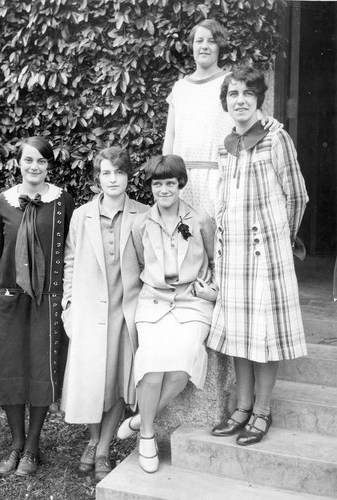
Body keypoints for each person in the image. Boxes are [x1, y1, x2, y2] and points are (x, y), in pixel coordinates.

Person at [207, 66, 308, 446]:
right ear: (226, 102)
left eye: (248, 93)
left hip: (267, 256)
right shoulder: (226, 144)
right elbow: (224, 201)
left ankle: (262, 409)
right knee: (239, 333)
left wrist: (282, 238)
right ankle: (242, 406)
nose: (240, 100)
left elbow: (297, 196)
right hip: (233, 256)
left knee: (264, 335)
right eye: (233, 94)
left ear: (259, 99)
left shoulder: (276, 139)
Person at [117, 155, 216, 473]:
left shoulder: (200, 220)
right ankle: (146, 435)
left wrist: (213, 292)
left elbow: (216, 262)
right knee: (150, 365)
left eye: (170, 183)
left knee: (182, 364)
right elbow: (140, 264)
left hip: (192, 303)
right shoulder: (140, 224)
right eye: (157, 183)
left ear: (180, 184)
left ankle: (139, 417)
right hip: (153, 303)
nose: (163, 189)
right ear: (150, 186)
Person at [0, 136, 74, 475]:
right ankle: (16, 445)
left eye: (41, 161)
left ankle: (33, 448)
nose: (34, 166)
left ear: (49, 165)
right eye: (28, 160)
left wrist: (67, 298)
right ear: (18, 163)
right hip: (10, 297)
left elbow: (69, 251)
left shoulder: (62, 200)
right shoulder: (2, 202)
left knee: (41, 370)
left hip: (47, 300)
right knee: (10, 370)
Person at [60, 147, 148, 482]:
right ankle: (94, 439)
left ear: (128, 176)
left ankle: (101, 448)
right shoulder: (82, 215)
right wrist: (68, 306)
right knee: (90, 380)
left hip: (124, 312)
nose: (113, 179)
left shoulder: (143, 214)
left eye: (119, 173)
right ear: (98, 177)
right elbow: (69, 263)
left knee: (115, 380)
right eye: (106, 173)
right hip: (87, 310)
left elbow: (150, 263)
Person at [163, 18, 281, 218]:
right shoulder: (180, 88)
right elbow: (170, 136)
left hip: (220, 176)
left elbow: (252, 115)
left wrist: (268, 121)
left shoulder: (230, 83)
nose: (204, 46)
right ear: (192, 46)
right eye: (199, 41)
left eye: (211, 41)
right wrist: (166, 174)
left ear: (220, 47)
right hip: (182, 179)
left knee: (219, 241)